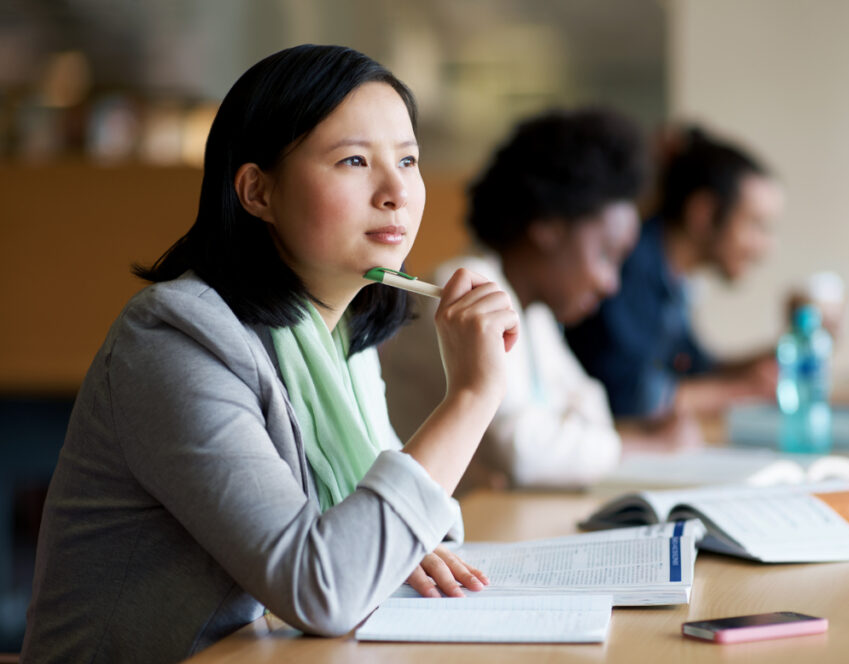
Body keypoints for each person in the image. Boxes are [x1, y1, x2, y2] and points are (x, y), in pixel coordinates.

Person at [21, 44, 519, 663]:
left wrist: (390, 542)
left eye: (409, 159)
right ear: (258, 191)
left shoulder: (343, 339)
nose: (396, 191)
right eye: (355, 160)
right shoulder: (175, 338)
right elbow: (323, 588)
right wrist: (472, 395)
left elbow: (422, 540)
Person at [381, 109, 694, 493]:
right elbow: (525, 454)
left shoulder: (534, 314)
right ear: (548, 225)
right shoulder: (463, 288)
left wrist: (591, 440)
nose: (610, 284)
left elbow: (592, 411)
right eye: (605, 255)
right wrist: (649, 446)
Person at [565, 125, 785, 419]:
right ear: (703, 213)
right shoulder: (630, 268)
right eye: (755, 225)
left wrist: (790, 347)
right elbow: (628, 398)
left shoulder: (674, 279)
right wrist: (741, 391)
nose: (764, 247)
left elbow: (696, 369)